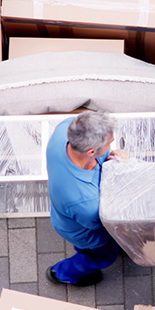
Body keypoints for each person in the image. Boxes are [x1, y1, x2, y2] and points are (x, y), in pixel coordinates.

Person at [45, 110, 129, 287]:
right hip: (86, 233)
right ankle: (63, 274)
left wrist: (110, 156)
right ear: (91, 151)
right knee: (101, 257)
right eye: (109, 143)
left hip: (64, 213)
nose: (112, 144)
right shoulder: (86, 203)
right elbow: (104, 222)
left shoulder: (66, 129)